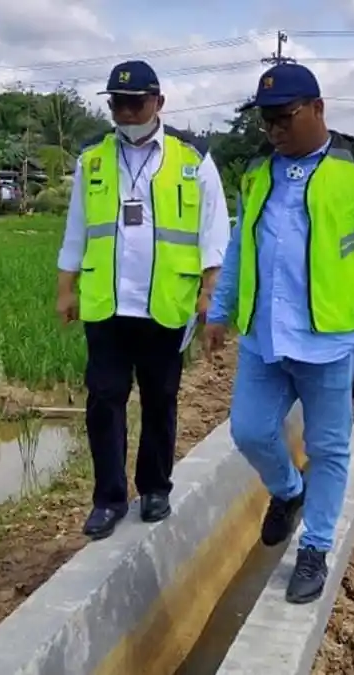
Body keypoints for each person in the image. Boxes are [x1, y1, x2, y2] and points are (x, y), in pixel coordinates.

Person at [203, 63, 354, 604]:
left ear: (318, 109)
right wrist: (219, 312)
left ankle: (315, 549)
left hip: (327, 337)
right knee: (249, 431)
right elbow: (238, 249)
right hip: (263, 336)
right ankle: (288, 491)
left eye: (285, 117)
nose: (275, 129)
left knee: (328, 447)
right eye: (267, 120)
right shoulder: (257, 172)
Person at [56, 60, 231, 539]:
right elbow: (77, 229)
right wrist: (66, 287)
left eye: (136, 103)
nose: (127, 112)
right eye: (118, 103)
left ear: (159, 102)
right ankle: (108, 500)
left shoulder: (193, 156)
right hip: (107, 303)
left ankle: (155, 487)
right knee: (104, 400)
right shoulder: (92, 157)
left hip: (165, 303)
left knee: (160, 399)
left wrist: (209, 292)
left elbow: (215, 231)